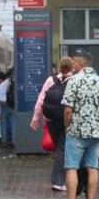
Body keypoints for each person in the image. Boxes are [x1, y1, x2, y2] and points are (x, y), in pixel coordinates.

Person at [54, 49, 99, 199]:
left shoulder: (74, 81)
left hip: (76, 132)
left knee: (71, 167)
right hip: (96, 133)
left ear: (82, 64)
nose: (73, 65)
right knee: (93, 167)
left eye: (75, 62)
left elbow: (68, 110)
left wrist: (67, 126)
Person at [31, 57, 73, 191]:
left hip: (50, 120)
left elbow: (41, 99)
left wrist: (35, 118)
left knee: (59, 148)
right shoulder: (74, 80)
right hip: (66, 120)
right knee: (62, 148)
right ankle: (59, 181)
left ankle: (59, 180)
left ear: (60, 67)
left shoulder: (50, 80)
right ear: (72, 67)